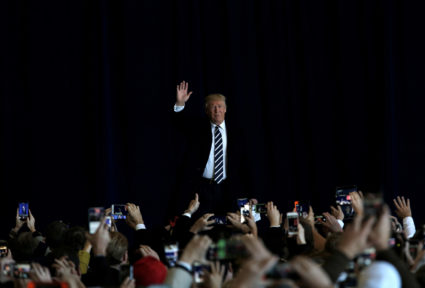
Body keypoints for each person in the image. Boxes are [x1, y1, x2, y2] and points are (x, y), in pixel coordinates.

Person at [173, 81, 236, 215]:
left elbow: (246, 163)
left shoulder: (237, 131)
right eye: (213, 107)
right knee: (202, 226)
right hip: (203, 188)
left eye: (220, 106)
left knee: (232, 227)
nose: (217, 110)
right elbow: (180, 123)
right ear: (207, 111)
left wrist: (253, 194)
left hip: (229, 189)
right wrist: (180, 104)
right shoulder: (199, 128)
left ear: (225, 109)